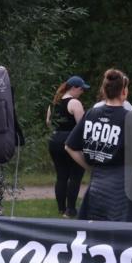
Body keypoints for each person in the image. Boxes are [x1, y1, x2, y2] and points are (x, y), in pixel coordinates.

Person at [65, 68, 132, 223]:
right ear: (124, 92)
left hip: (97, 187)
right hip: (125, 190)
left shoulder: (91, 114)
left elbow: (69, 146)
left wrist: (92, 168)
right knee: (126, 236)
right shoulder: (131, 118)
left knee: (96, 234)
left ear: (104, 91)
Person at [46, 75, 88, 217]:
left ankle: (61, 209)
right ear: (74, 88)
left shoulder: (53, 103)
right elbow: (82, 126)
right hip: (70, 141)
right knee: (75, 175)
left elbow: (48, 123)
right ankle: (70, 210)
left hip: (54, 140)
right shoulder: (75, 103)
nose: (82, 92)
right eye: (81, 89)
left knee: (61, 176)